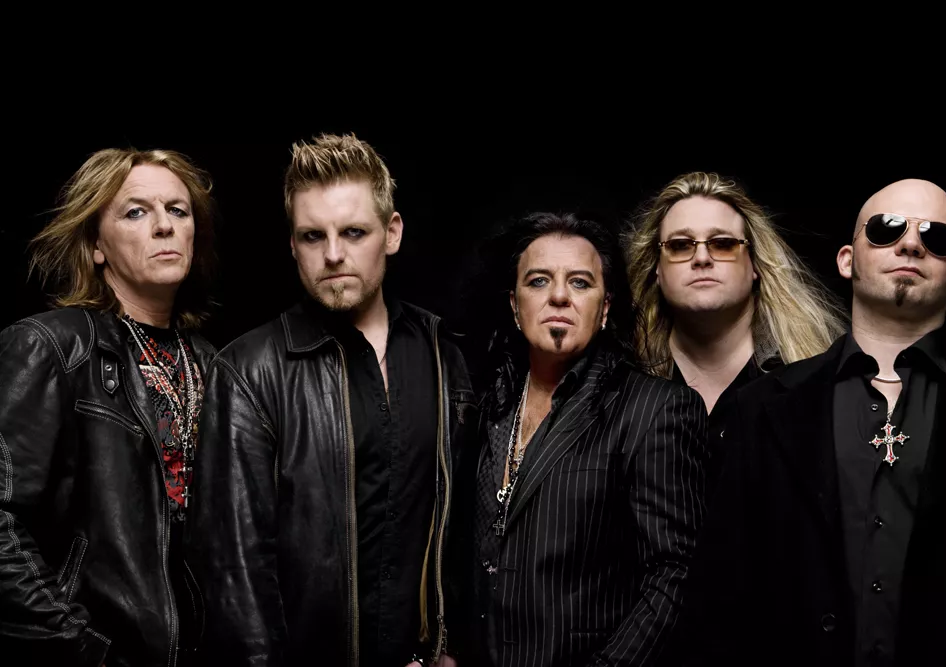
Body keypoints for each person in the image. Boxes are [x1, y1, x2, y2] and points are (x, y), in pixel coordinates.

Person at [683, 179, 946, 666]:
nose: (910, 244)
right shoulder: (761, 408)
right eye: (886, 229)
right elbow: (719, 595)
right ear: (847, 259)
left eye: (936, 237)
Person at [187, 133, 476, 667]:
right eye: (312, 236)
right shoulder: (250, 369)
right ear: (292, 245)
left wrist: (448, 647)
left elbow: (460, 528)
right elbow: (234, 571)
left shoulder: (443, 357)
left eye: (354, 232)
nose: (334, 254)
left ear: (392, 233)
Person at [459, 212, 708, 666]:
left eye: (579, 282)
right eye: (538, 281)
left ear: (605, 307)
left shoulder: (654, 409)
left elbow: (675, 573)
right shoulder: (485, 404)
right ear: (514, 305)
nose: (558, 295)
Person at [0, 148, 217, 666]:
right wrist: (86, 649)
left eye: (178, 210)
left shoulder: (216, 365)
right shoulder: (51, 346)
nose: (164, 225)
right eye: (136, 212)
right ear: (97, 245)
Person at [624, 171, 844, 491]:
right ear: (657, 267)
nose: (702, 258)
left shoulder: (813, 376)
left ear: (754, 263)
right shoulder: (624, 379)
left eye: (723, 244)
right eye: (680, 245)